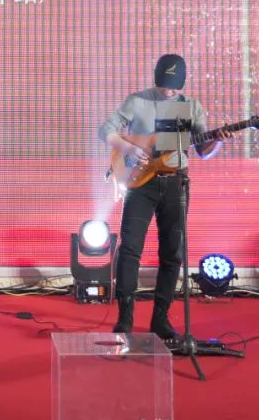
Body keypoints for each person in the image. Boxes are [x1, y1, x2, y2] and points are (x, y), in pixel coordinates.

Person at [98, 54, 229, 339]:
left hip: (176, 184)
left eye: (173, 87)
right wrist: (130, 149)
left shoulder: (191, 107)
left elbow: (202, 151)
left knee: (172, 253)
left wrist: (217, 140)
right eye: (164, 86)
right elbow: (105, 130)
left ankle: (161, 318)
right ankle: (125, 317)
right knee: (130, 249)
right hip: (140, 184)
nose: (168, 91)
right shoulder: (138, 100)